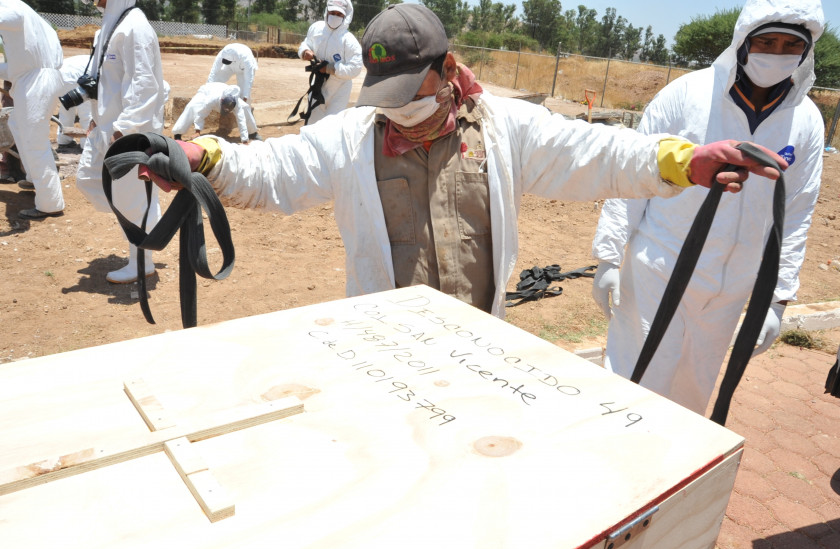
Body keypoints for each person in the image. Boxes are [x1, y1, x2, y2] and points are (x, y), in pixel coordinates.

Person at [139, 4, 785, 319]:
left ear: (447, 70)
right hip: (384, 350)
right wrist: (204, 155)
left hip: (482, 349)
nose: (396, 112)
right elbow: (277, 170)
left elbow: (598, 153)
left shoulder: (504, 131)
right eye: (384, 99)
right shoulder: (353, 136)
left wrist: (684, 161)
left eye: (408, 94)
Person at [590, 0, 825, 415]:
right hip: (659, 269)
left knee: (692, 391)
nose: (776, 54)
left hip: (731, 286)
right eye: (765, 42)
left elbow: (797, 212)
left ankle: (674, 472)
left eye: (790, 46)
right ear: (743, 42)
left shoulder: (805, 120)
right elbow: (634, 173)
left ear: (805, 52)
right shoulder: (689, 94)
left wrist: (777, 298)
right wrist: (609, 256)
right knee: (632, 380)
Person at [75, 0, 167, 284]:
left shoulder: (135, 27)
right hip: (106, 126)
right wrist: (96, 116)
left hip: (128, 132)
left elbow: (145, 85)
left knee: (130, 198)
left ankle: (142, 261)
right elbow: (109, 81)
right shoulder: (111, 23)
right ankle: (151, 221)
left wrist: (124, 130)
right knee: (88, 179)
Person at [0, 1, 65, 219]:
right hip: (40, 78)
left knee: (34, 142)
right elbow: (20, 64)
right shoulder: (33, 19)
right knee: (16, 124)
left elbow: (5, 18)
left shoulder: (13, 10)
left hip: (35, 83)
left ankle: (49, 204)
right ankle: (34, 176)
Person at [297, 0, 363, 124]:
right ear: (326, 11)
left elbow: (355, 68)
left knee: (331, 128)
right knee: (312, 126)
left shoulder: (349, 41)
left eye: (339, 14)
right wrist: (304, 51)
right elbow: (306, 43)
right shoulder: (316, 29)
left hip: (339, 89)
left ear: (346, 16)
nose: (334, 16)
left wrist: (330, 68)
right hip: (317, 86)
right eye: (332, 12)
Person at [172, 83, 258, 145]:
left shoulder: (236, 103)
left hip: (221, 89)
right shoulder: (212, 99)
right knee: (191, 106)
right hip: (206, 92)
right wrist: (197, 131)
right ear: (221, 101)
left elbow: (241, 120)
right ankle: (178, 133)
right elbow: (202, 113)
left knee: (245, 107)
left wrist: (244, 140)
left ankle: (253, 133)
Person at [57, 54, 94, 154]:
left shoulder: (90, 58)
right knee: (87, 113)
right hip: (76, 78)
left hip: (60, 77)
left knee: (66, 108)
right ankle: (86, 144)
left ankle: (64, 140)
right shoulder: (100, 63)